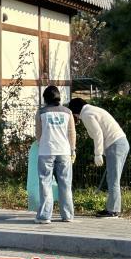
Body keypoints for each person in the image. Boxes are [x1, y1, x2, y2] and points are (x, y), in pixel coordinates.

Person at [68, 98, 129, 218]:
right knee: (112, 178)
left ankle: (113, 211)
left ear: (75, 111)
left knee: (113, 179)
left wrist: (98, 154)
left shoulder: (86, 114)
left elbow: (98, 134)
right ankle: (110, 208)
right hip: (119, 143)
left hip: (115, 145)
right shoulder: (92, 110)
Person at [34, 86, 76, 224]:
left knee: (45, 183)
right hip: (64, 151)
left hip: (46, 151)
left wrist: (41, 143)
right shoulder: (68, 112)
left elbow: (38, 134)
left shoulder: (41, 112)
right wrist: (73, 149)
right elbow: (72, 133)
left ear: (45, 98)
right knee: (65, 183)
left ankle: (45, 216)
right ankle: (67, 215)